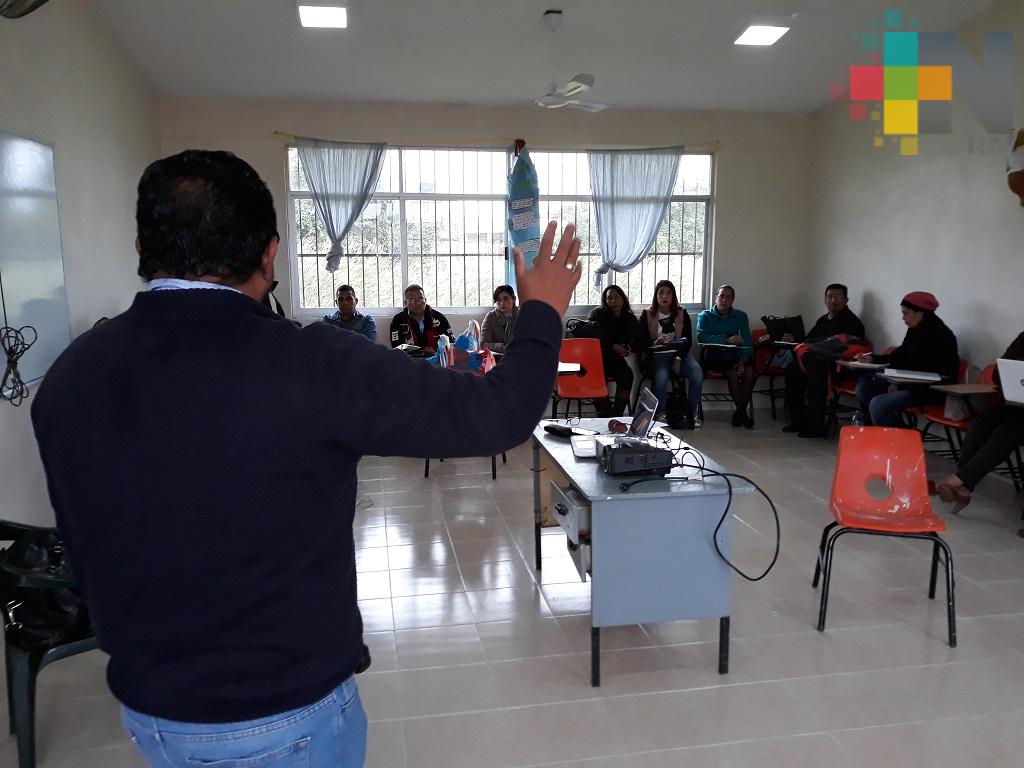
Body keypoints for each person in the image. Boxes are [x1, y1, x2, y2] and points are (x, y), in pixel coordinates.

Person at [29, 149, 582, 768]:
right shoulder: (313, 364)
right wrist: (544, 311)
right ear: (270, 255)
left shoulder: (71, 375)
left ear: (140, 247)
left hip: (150, 710)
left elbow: (85, 542)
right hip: (282, 713)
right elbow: (496, 414)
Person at [931, 332, 1024, 515]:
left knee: (1008, 430)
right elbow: (1000, 372)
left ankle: (960, 480)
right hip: (1018, 404)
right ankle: (964, 485)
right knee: (982, 421)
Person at [855, 291, 959, 427]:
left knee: (878, 405)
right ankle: (876, 432)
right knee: (863, 388)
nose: (903, 318)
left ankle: (903, 443)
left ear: (920, 313)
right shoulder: (914, 330)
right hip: (908, 384)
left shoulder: (942, 336)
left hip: (929, 390)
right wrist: (873, 359)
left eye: (906, 313)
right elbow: (899, 356)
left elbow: (934, 374)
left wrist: (899, 385)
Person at [783, 283, 867, 438]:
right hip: (816, 363)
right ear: (825, 299)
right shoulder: (823, 320)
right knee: (792, 370)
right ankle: (798, 420)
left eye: (838, 296)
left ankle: (816, 425)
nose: (833, 300)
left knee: (817, 373)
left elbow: (849, 347)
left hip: (839, 367)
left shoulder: (852, 322)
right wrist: (794, 339)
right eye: (829, 296)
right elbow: (810, 340)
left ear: (846, 300)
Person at [638, 280, 703, 427]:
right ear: (656, 295)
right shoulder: (647, 313)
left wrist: (678, 358)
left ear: (673, 296)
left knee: (697, 373)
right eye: (661, 293)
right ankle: (661, 414)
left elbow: (688, 341)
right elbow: (641, 342)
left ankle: (692, 414)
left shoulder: (681, 312)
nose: (664, 296)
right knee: (661, 377)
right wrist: (655, 342)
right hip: (658, 355)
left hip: (679, 354)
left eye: (668, 293)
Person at [696, 285, 754, 428]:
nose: (724, 300)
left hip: (736, 356)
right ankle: (742, 413)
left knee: (750, 371)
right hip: (715, 357)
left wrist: (742, 360)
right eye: (721, 296)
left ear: (732, 300)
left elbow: (746, 340)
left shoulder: (741, 316)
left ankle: (739, 412)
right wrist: (726, 339)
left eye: (728, 297)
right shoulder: (705, 316)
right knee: (733, 373)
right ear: (716, 298)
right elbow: (702, 337)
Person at [588, 285, 641, 417]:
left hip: (615, 359)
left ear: (623, 299)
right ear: (605, 301)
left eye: (616, 297)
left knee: (627, 375)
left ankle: (617, 414)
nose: (613, 301)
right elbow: (590, 338)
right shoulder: (597, 314)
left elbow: (640, 340)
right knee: (598, 378)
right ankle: (604, 414)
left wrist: (629, 348)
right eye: (609, 298)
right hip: (596, 358)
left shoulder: (629, 317)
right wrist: (612, 346)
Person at [389, 284, 453, 353]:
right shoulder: (398, 320)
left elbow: (451, 342)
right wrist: (421, 351)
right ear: (405, 303)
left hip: (436, 360)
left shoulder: (439, 318)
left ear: (425, 300)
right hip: (410, 361)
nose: (417, 303)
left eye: (420, 298)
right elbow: (396, 347)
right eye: (412, 299)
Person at [481, 284, 518, 353]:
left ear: (513, 299)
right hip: (498, 358)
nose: (502, 303)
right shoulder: (491, 317)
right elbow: (484, 343)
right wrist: (504, 348)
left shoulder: (523, 315)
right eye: (498, 300)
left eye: (506, 299)